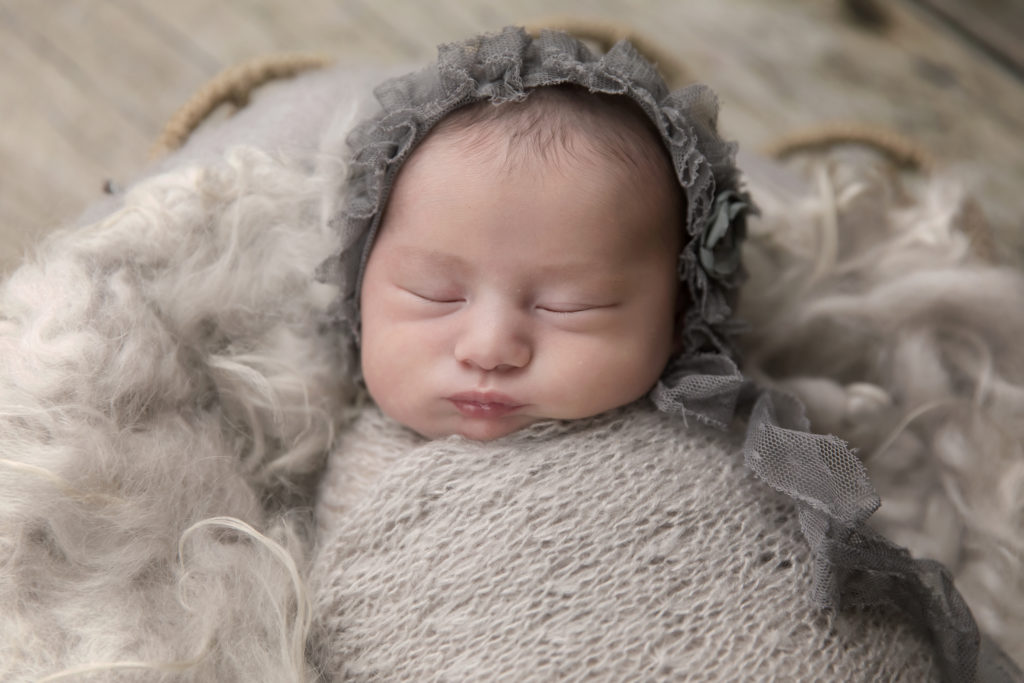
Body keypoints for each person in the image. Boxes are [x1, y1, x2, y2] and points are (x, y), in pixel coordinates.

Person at [311, 26, 1018, 682]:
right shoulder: (336, 458)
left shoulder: (733, 446)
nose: (491, 347)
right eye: (434, 294)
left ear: (681, 319)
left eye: (569, 306)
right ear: (357, 290)